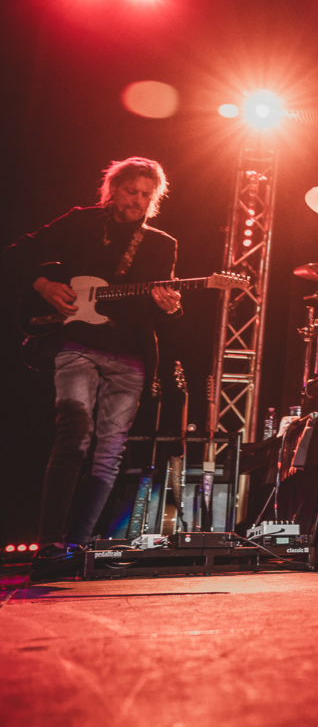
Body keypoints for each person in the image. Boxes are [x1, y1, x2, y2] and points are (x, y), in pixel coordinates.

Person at [5, 158, 182, 580]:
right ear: (112, 190)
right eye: (131, 192)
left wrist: (170, 307)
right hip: (76, 347)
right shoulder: (80, 222)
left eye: (146, 195)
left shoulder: (161, 243)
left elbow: (162, 310)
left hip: (130, 358)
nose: (138, 201)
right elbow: (16, 253)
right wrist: (44, 285)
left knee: (109, 453)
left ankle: (77, 546)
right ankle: (49, 546)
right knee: (73, 432)